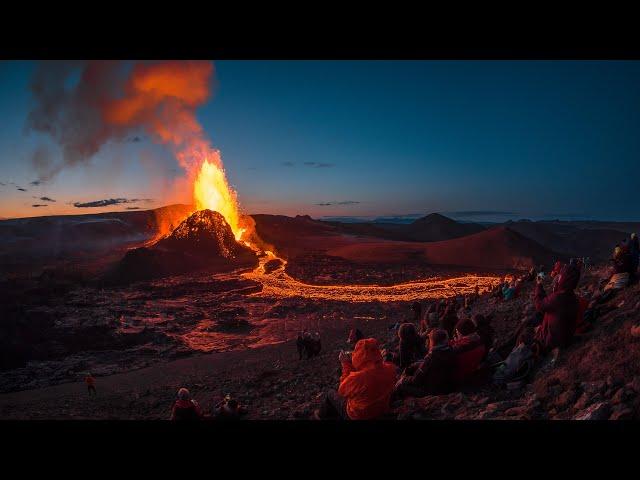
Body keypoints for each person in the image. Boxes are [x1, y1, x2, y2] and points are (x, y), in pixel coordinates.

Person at [316, 338, 396, 420]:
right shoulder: (391, 368)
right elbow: (373, 370)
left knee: (330, 394)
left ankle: (321, 416)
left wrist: (345, 363)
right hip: (381, 409)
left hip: (358, 415)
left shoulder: (358, 378)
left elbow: (342, 391)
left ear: (359, 355)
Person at [394, 329, 456, 398]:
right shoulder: (450, 350)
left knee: (400, 386)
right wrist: (420, 364)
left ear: (432, 342)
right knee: (412, 368)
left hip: (432, 392)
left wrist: (403, 379)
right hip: (447, 387)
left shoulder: (431, 357)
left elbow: (416, 380)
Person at [533, 262, 580, 353]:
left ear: (564, 278)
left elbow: (539, 305)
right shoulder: (573, 298)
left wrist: (538, 285)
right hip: (565, 339)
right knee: (537, 316)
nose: (558, 278)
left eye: (561, 276)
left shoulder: (558, 298)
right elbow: (550, 304)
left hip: (551, 342)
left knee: (526, 329)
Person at [450, 318, 486, 385]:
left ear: (461, 333)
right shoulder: (480, 342)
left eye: (457, 331)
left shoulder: (460, 348)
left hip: (459, 376)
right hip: (471, 371)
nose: (456, 332)